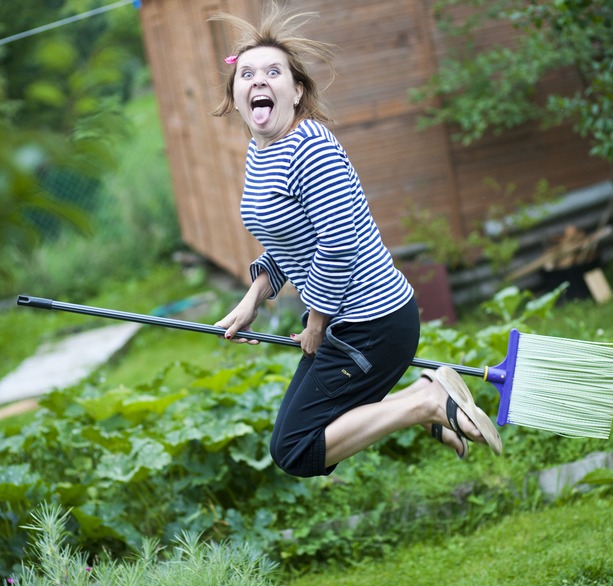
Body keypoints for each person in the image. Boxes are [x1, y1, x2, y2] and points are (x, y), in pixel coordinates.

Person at [210, 3, 501, 478]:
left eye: (273, 71)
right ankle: (421, 402)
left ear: (297, 90)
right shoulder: (259, 152)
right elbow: (292, 239)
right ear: (236, 95)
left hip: (372, 324)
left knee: (297, 449)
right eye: (247, 74)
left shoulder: (310, 146)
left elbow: (338, 244)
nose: (258, 80)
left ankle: (425, 401)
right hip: (351, 324)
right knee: (298, 437)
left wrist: (317, 324)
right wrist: (254, 297)